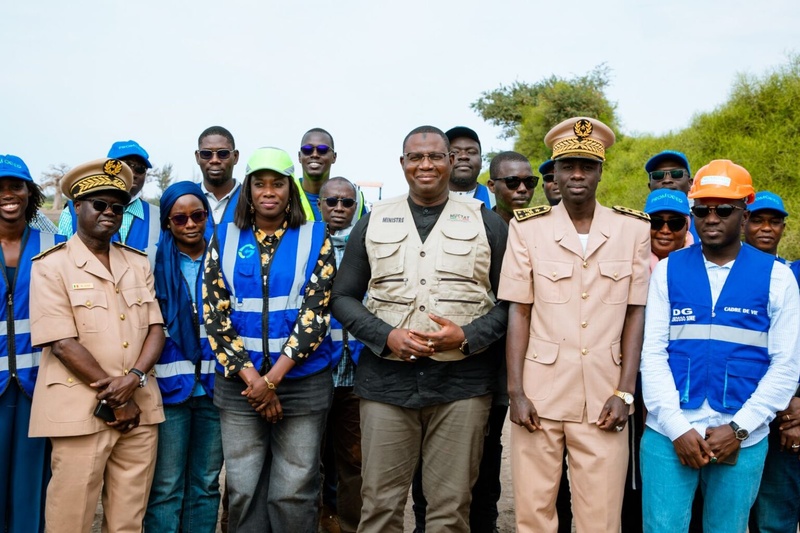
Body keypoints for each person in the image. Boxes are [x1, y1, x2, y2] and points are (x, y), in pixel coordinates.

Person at [331, 125, 508, 533]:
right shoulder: (373, 221)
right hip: (386, 386)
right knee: (380, 507)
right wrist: (385, 336)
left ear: (450, 161)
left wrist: (467, 337)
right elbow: (342, 297)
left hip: (462, 386)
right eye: (416, 157)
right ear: (403, 163)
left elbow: (513, 303)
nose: (425, 164)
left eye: (435, 156)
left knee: (450, 509)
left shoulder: (486, 223)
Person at [499, 117, 650, 533]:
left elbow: (635, 313)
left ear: (601, 171)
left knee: (601, 520)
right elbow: (519, 311)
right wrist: (516, 392)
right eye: (568, 166)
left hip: (604, 397)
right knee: (533, 516)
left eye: (587, 166)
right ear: (555, 173)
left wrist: (625, 391)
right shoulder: (527, 229)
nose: (577, 174)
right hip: (539, 396)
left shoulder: (633, 229)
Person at [640, 159, 800, 533]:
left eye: (723, 210)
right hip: (669, 433)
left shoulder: (777, 278)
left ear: (744, 214)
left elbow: (785, 366)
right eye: (702, 210)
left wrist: (740, 429)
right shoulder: (668, 270)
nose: (711, 219)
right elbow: (653, 354)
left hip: (743, 437)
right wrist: (677, 428)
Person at [203, 146, 336, 532]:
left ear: (290, 189)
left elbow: (316, 314)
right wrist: (255, 381)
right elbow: (215, 314)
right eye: (259, 183)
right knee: (243, 488)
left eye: (277, 183)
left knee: (293, 489)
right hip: (240, 387)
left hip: (301, 382)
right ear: (247, 190)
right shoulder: (224, 237)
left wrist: (272, 381)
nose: (268, 191)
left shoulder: (315, 236)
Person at [29, 157, 165, 532]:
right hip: (79, 412)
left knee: (128, 522)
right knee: (70, 520)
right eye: (100, 204)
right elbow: (62, 343)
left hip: (139, 409)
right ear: (77, 207)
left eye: (117, 207)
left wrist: (133, 379)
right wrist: (116, 398)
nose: (109, 213)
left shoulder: (137, 263)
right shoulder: (51, 265)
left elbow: (156, 329)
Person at [144, 182, 223, 532]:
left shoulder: (224, 259)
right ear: (167, 222)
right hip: (169, 391)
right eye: (180, 218)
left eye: (197, 215)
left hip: (215, 388)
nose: (190, 224)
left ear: (207, 216)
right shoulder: (150, 264)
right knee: (166, 486)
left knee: (205, 483)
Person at [0, 154, 62, 533]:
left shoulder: (55, 245)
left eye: (16, 186)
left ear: (29, 192)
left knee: (31, 487)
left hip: (39, 387)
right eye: (0, 188)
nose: (8, 194)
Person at [747, 191, 800, 533]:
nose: (766, 228)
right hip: (735, 408)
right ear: (743, 222)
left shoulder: (794, 273)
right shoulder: (723, 273)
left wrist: (797, 402)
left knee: (775, 515)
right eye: (758, 220)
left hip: (783, 414)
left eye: (774, 221)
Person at [317, 177, 366, 533]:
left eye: (347, 202)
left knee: (355, 460)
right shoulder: (306, 244)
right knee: (307, 461)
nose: (339, 208)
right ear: (320, 204)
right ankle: (316, 521)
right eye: (331, 201)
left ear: (356, 206)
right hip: (315, 369)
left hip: (358, 370)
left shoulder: (368, 244)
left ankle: (350, 526)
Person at [58, 140, 161, 267]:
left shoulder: (159, 216)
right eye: (126, 166)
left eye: (140, 168)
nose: (133, 173)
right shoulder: (71, 212)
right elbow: (62, 262)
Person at [296, 128, 367, 222]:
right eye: (307, 149)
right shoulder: (287, 195)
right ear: (299, 156)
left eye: (322, 150)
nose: (315, 155)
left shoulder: (354, 198)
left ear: (334, 157)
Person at [196, 126, 241, 233]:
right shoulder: (186, 199)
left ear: (235, 156)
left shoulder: (251, 200)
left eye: (223, 153)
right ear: (198, 157)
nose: (215, 160)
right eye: (206, 154)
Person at [645, 150, 698, 242]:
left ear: (690, 183)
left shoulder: (704, 218)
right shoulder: (639, 222)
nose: (667, 180)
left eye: (676, 174)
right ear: (650, 187)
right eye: (658, 175)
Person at [446, 126, 495, 207]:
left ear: (481, 162)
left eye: (471, 152)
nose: (463, 156)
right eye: (454, 152)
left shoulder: (496, 199)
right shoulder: (426, 199)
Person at [486, 151, 536, 223]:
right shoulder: (480, 227)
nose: (523, 189)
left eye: (529, 182)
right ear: (492, 186)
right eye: (512, 182)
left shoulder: (544, 226)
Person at [743, 191, 788, 260]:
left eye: (775, 222)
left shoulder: (791, 267)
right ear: (742, 225)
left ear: (782, 228)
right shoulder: (728, 265)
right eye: (757, 221)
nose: (766, 228)